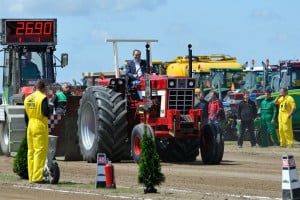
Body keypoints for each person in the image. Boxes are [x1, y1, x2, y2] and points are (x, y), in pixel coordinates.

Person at [24, 80, 50, 183]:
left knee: (31, 151)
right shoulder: (42, 98)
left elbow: (25, 116)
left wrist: (29, 126)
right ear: (43, 88)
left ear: (36, 87)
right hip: (39, 124)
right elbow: (46, 113)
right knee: (40, 151)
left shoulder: (28, 98)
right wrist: (50, 108)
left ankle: (31, 177)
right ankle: (37, 177)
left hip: (30, 125)